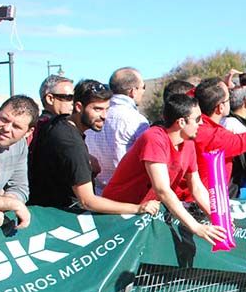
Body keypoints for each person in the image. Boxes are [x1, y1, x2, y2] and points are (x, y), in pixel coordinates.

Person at [102, 93, 224, 245]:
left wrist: (217, 218)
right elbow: (162, 190)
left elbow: (197, 187)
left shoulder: (189, 144)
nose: (201, 124)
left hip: (143, 215)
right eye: (198, 119)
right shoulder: (153, 138)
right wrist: (196, 227)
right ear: (181, 122)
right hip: (116, 215)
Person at [28, 79, 160, 217]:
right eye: (97, 109)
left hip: (45, 210)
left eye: (107, 109)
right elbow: (88, 201)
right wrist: (138, 208)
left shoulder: (60, 123)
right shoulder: (71, 143)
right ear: (78, 107)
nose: (104, 116)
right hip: (55, 217)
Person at [191, 73, 246, 190]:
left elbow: (193, 95)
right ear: (220, 108)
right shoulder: (214, 137)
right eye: (228, 97)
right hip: (207, 202)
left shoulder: (196, 125)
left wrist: (220, 86)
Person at [85, 67, 150, 192]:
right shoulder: (138, 121)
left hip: (97, 193)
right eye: (143, 87)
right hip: (128, 195)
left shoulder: (92, 117)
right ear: (133, 91)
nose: (143, 91)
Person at [0, 95, 36, 231]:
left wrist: (1, 206)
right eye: (3, 119)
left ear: (28, 132)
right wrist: (12, 204)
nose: (6, 128)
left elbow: (19, 187)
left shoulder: (20, 145)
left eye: (16, 126)